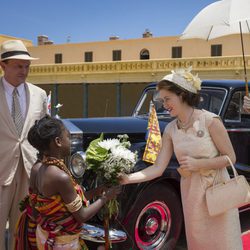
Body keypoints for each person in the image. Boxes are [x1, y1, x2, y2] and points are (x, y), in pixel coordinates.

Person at [120, 68, 243, 250]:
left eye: (168, 99)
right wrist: (127, 178)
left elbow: (231, 157)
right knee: (198, 242)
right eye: (162, 100)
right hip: (192, 194)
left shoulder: (210, 120)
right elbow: (157, 168)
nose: (164, 104)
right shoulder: (170, 129)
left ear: (183, 95)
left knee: (222, 242)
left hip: (217, 189)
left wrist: (200, 164)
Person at [15, 115, 120, 249]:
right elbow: (82, 215)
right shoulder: (60, 177)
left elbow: (65, 202)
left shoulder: (38, 168)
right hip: (62, 243)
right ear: (58, 141)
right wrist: (105, 198)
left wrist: (96, 191)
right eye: (68, 137)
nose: (70, 141)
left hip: (44, 236)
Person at [0, 40, 48, 250]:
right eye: (18, 66)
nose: (24, 71)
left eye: (27, 66)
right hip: (1, 170)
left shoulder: (40, 94)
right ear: (3, 65)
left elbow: (44, 132)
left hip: (29, 172)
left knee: (23, 229)